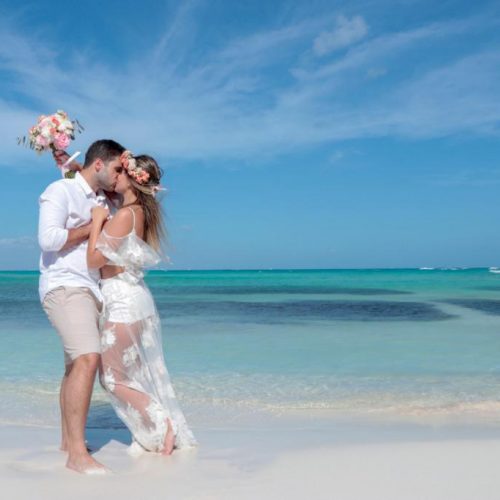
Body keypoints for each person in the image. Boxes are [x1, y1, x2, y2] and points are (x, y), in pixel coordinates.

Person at [87, 152, 197, 455]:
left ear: (134, 179)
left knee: (111, 379)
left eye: (120, 171)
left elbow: (94, 260)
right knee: (132, 375)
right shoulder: (141, 213)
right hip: (136, 299)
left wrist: (97, 222)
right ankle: (154, 432)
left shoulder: (124, 215)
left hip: (122, 300)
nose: (114, 176)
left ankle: (162, 424)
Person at [39, 139, 126, 473]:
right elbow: (48, 239)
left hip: (91, 288)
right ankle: (77, 455)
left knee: (74, 366)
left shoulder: (102, 199)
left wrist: (130, 169)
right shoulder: (60, 190)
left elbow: (139, 195)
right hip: (64, 284)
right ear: (99, 164)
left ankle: (67, 440)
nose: (120, 174)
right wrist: (94, 226)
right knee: (88, 359)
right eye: (117, 167)